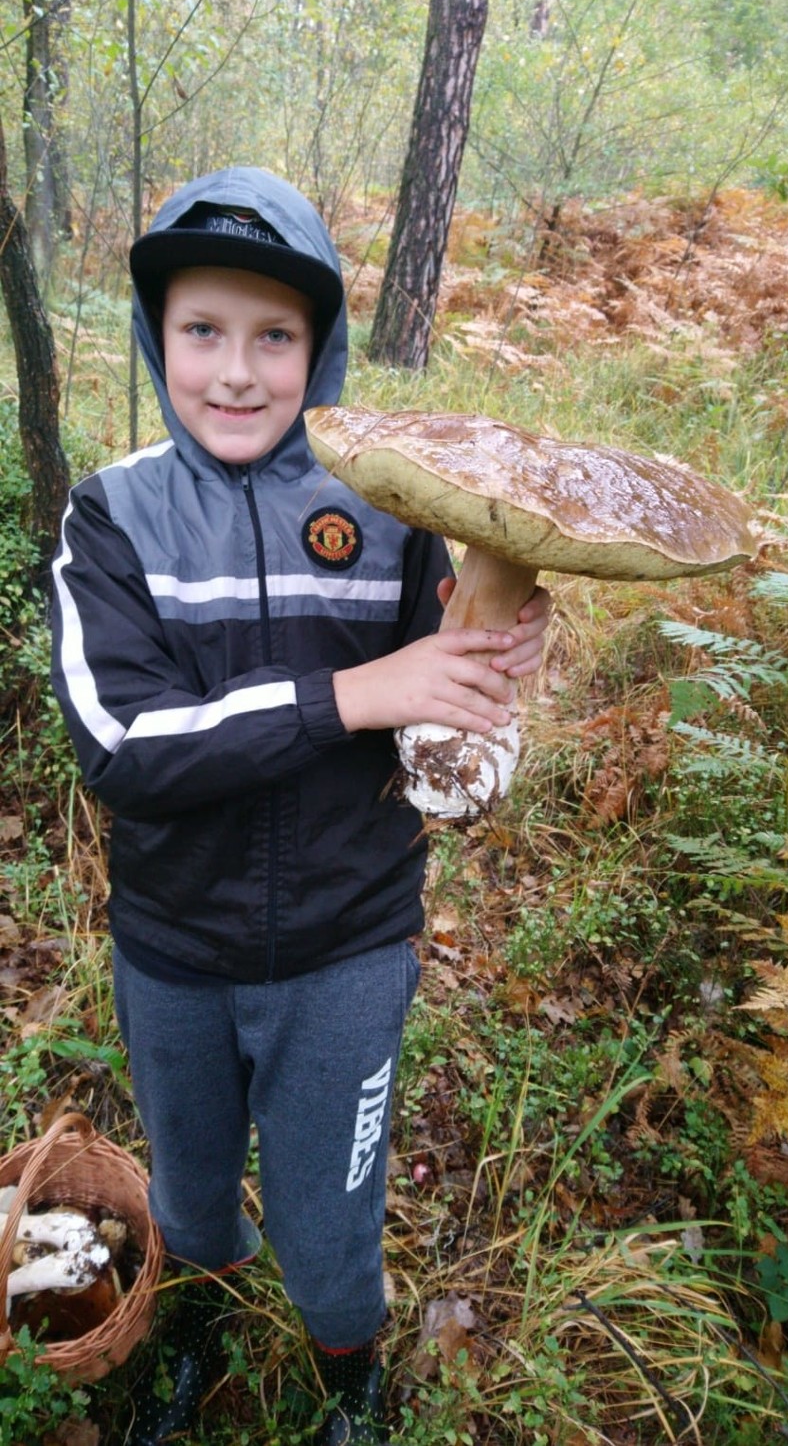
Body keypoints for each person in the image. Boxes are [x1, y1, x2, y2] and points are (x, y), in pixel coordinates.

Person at [50, 167, 549, 1445]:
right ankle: (201, 1323)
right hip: (174, 951)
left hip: (347, 945)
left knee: (333, 1214)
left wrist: (486, 668)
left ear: (319, 350)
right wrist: (359, 690)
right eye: (202, 330)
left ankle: (349, 1381)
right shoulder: (112, 516)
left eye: (275, 336)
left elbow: (440, 735)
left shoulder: (392, 511)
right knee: (199, 1194)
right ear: (158, 341)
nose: (235, 370)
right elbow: (124, 748)